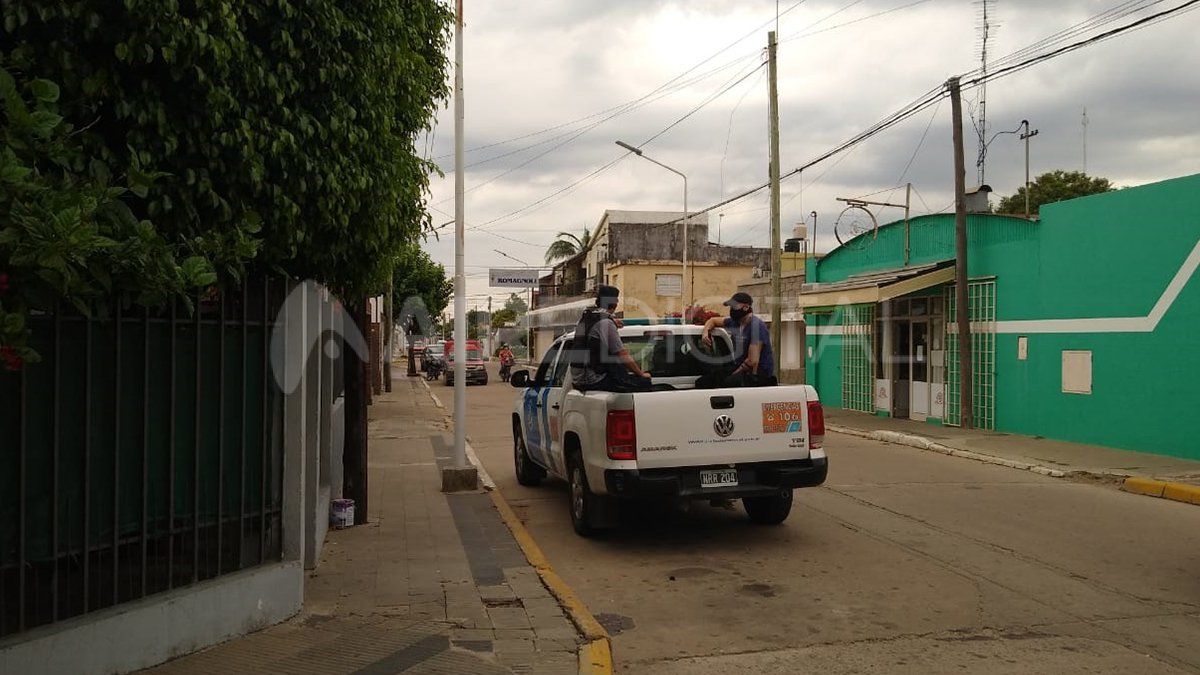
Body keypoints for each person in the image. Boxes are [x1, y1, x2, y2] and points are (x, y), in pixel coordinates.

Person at [569, 285, 655, 393]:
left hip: (579, 377)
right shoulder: (606, 323)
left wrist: (612, 321)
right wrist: (641, 374)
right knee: (644, 383)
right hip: (593, 378)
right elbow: (622, 354)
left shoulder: (587, 317)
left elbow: (595, 328)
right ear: (614, 303)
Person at [699, 292, 777, 387]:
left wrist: (733, 374)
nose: (731, 310)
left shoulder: (756, 327)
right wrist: (705, 332)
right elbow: (713, 321)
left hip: (756, 375)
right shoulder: (734, 322)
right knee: (704, 382)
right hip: (740, 368)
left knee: (726, 384)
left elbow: (752, 361)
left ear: (746, 307)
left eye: (734, 307)